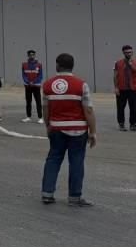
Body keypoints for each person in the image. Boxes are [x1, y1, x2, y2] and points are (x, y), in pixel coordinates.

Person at [41, 53, 98, 207]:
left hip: (56, 129)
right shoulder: (81, 85)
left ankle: (47, 194)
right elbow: (88, 110)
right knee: (76, 162)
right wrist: (93, 132)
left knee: (53, 160)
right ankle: (74, 197)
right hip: (78, 131)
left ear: (57, 66)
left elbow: (45, 109)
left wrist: (48, 126)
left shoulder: (47, 85)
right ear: (72, 66)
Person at [114, 45, 136, 132]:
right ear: (123, 53)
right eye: (126, 52)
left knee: (133, 108)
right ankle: (121, 124)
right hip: (121, 89)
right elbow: (115, 76)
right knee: (120, 107)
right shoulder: (117, 63)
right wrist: (116, 88)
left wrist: (131, 65)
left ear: (132, 52)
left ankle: (133, 125)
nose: (129, 54)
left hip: (133, 89)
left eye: (130, 52)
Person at [21, 50, 43, 123]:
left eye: (33, 55)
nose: (31, 56)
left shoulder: (39, 65)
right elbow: (23, 75)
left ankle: (40, 118)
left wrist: (33, 82)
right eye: (30, 55)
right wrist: (28, 82)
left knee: (38, 102)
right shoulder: (24, 64)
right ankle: (28, 117)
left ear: (35, 55)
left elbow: (40, 75)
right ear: (28, 56)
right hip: (28, 86)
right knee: (28, 101)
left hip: (36, 86)